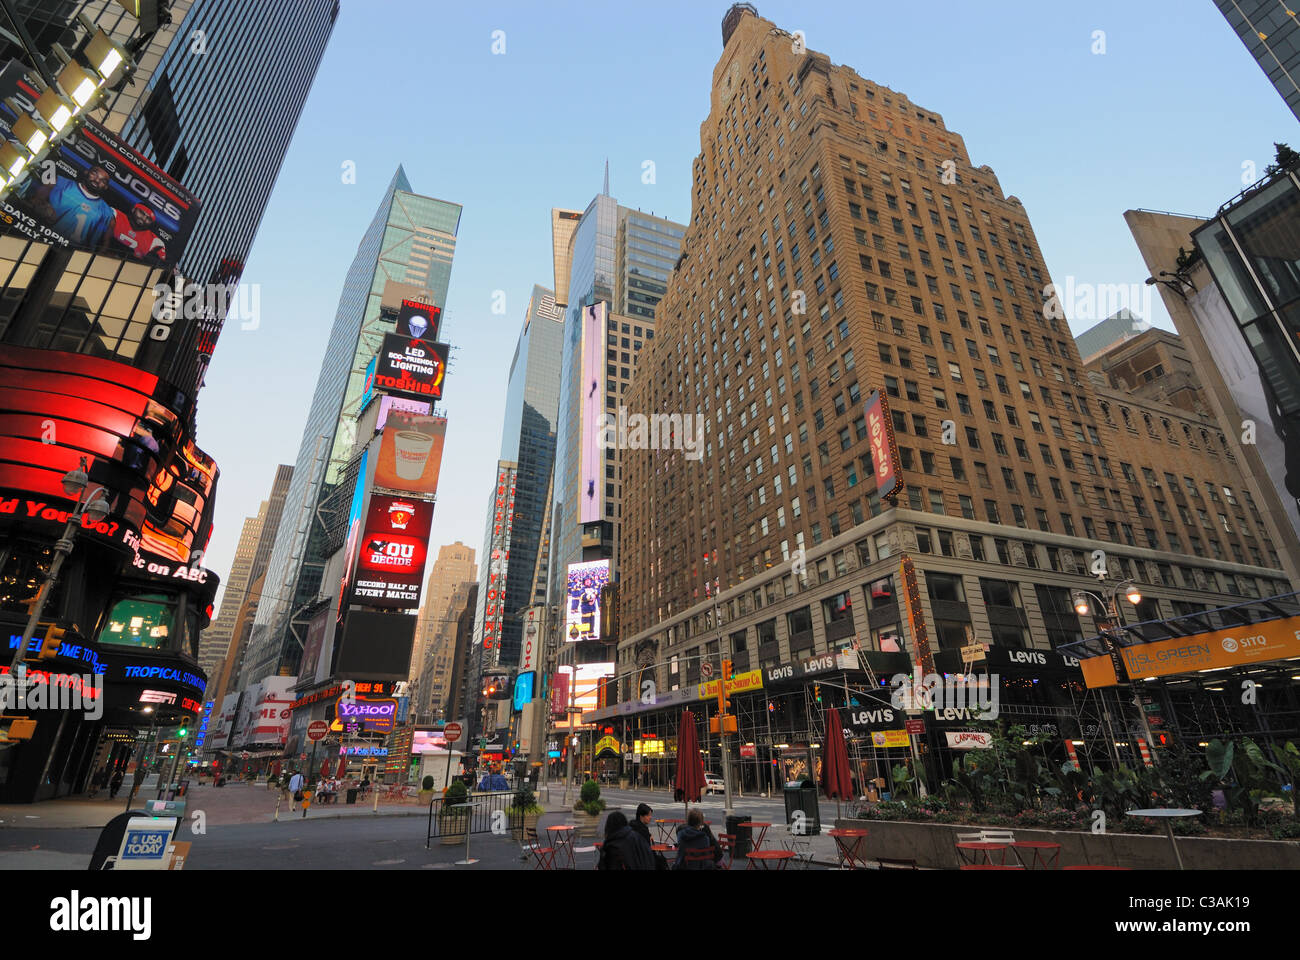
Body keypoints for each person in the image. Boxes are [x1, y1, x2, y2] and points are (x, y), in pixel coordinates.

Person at [27, 164, 117, 247]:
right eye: (95, 174)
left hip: (70, 254)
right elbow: (33, 201)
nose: (97, 180)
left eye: (103, 181)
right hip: (40, 239)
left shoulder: (108, 214)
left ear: (106, 187)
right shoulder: (59, 182)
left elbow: (105, 246)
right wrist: (43, 208)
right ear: (86, 172)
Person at [632, 802, 668, 870]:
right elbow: (647, 849)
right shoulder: (643, 830)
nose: (650, 817)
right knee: (662, 861)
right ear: (641, 816)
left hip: (634, 858)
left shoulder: (632, 826)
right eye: (648, 815)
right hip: (644, 860)